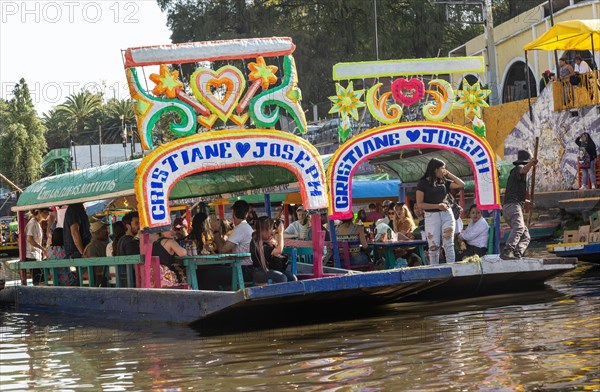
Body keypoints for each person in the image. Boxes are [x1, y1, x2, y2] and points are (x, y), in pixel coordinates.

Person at [416, 158, 465, 264]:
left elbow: (461, 184)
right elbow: (420, 204)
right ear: (435, 169)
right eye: (442, 168)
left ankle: (451, 267)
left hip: (447, 214)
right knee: (434, 245)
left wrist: (448, 174)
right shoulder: (423, 183)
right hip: (431, 216)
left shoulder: (443, 181)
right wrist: (437, 206)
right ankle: (434, 270)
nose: (444, 170)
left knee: (449, 243)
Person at [501, 150, 538, 260]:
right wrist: (531, 163)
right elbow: (523, 169)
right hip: (512, 206)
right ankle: (508, 250)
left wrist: (527, 202)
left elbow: (515, 194)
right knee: (519, 227)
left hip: (510, 206)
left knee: (525, 236)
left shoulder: (517, 176)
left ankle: (518, 253)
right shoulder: (519, 168)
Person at [213, 200, 254, 281]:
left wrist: (216, 231)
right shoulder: (244, 227)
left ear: (233, 213)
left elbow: (222, 250)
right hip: (245, 268)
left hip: (243, 270)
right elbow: (226, 248)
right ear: (247, 214)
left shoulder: (240, 228)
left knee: (208, 274)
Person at [250, 216, 296, 284]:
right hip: (259, 272)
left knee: (291, 277)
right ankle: (281, 294)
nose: (272, 232)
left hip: (270, 269)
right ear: (264, 231)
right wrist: (280, 233)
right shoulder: (257, 243)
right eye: (270, 229)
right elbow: (279, 250)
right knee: (282, 277)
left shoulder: (266, 240)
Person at [25, 208, 50, 285]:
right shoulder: (33, 223)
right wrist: (43, 249)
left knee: (40, 278)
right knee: (38, 279)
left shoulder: (37, 223)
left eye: (47, 213)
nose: (47, 215)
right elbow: (30, 239)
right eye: (45, 212)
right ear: (39, 212)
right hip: (32, 255)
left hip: (36, 255)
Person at [83, 221, 109, 286]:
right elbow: (95, 269)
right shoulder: (92, 247)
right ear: (97, 232)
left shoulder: (100, 245)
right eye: (105, 230)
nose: (107, 232)